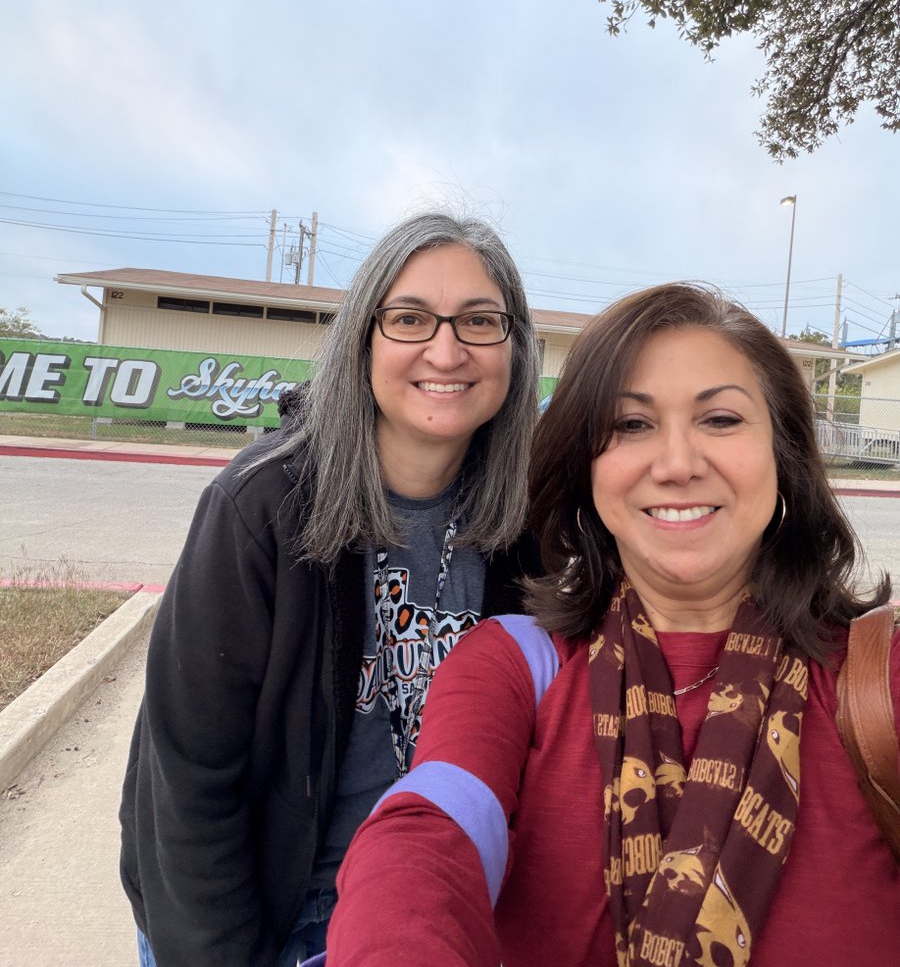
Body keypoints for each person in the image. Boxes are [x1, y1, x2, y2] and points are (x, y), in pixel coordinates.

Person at [323, 282, 899, 967]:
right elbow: (428, 831)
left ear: (785, 456)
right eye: (631, 425)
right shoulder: (512, 667)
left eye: (720, 420)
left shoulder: (875, 679)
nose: (679, 464)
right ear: (585, 469)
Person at [119, 211, 542, 967]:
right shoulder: (262, 506)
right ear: (364, 339)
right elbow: (186, 779)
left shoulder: (525, 521)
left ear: (515, 349)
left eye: (480, 321)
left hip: (431, 900)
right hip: (269, 910)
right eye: (410, 318)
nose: (446, 350)